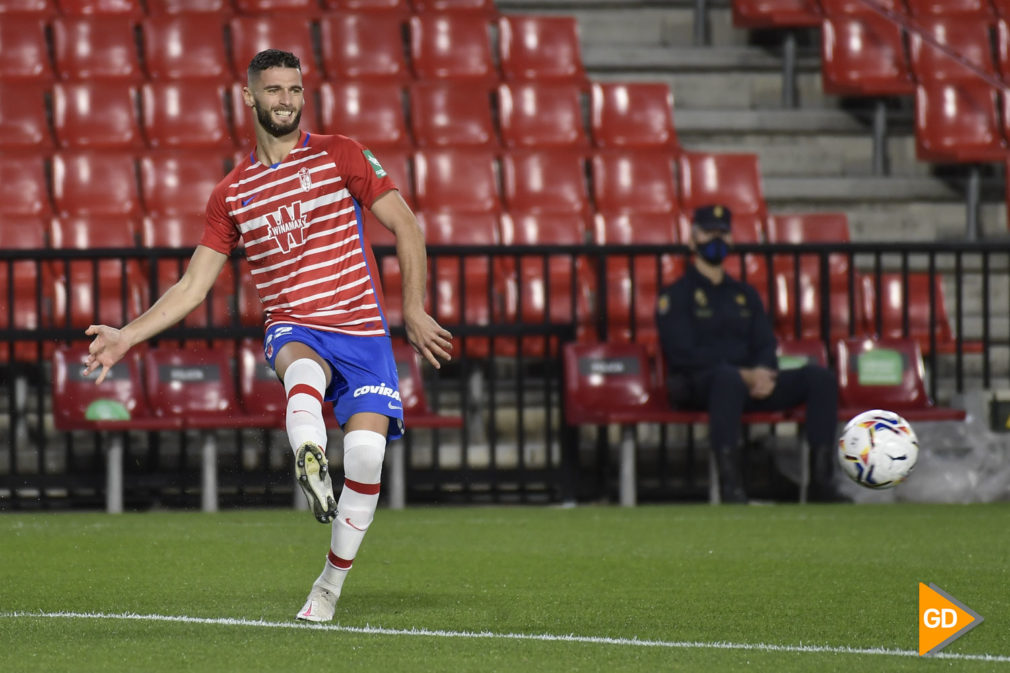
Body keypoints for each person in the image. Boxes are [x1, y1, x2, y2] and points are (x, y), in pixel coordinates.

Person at [84, 49, 453, 621]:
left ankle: (327, 586)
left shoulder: (342, 154)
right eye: (275, 90)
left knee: (367, 456)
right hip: (295, 324)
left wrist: (414, 309)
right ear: (250, 97)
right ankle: (307, 448)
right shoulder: (231, 194)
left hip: (362, 330)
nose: (287, 100)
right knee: (302, 367)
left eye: (295, 90)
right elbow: (192, 285)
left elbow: (407, 225)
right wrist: (127, 336)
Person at [655, 204, 845, 504]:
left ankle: (822, 482)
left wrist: (764, 374)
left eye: (722, 233)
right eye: (708, 233)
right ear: (692, 240)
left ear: (731, 240)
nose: (715, 239)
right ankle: (731, 487)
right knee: (726, 379)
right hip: (699, 384)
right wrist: (743, 374)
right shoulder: (675, 295)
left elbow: (765, 343)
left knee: (819, 379)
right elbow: (682, 354)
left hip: (751, 382)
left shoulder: (745, 294)